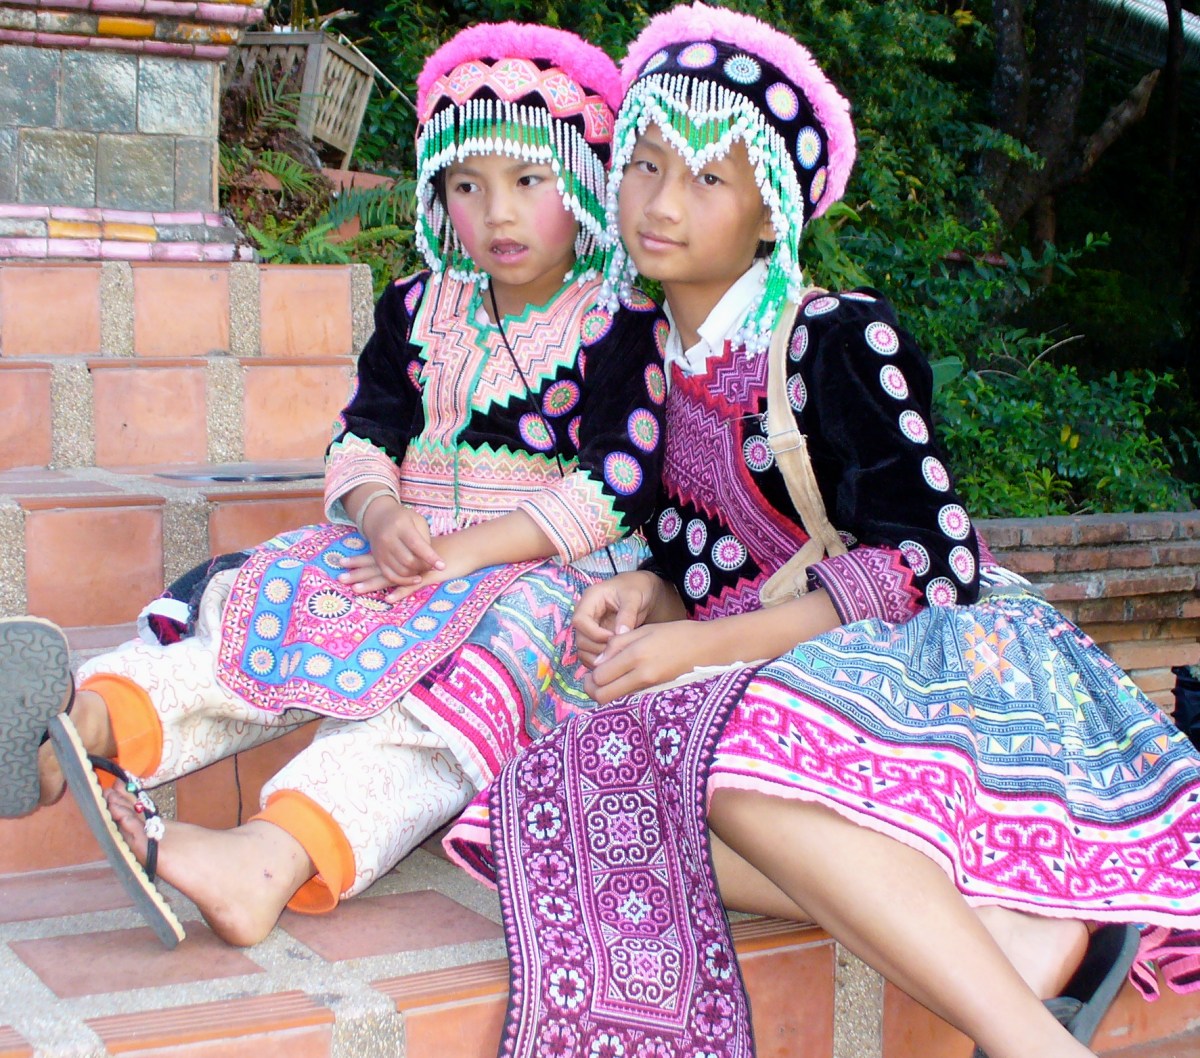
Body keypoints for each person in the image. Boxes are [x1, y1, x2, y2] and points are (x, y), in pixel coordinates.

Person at [443, 6, 1200, 1058]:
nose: (661, 202)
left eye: (708, 179)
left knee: (718, 761)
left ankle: (1028, 1037)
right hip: (777, 665)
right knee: (565, 794)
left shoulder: (836, 338)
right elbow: (691, 548)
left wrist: (706, 645)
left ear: (773, 214)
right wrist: (649, 593)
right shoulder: (638, 355)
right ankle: (1008, 930)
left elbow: (932, 558)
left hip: (942, 662)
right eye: (645, 165)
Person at [0, 21, 667, 950]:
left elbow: (616, 485)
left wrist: (461, 558)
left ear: (586, 184)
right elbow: (363, 435)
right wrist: (379, 511)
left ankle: (266, 860)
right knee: (279, 602)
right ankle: (84, 725)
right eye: (467, 186)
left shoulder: (622, 325)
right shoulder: (415, 307)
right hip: (403, 548)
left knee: (458, 689)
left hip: (538, 574)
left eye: (529, 181)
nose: (497, 214)